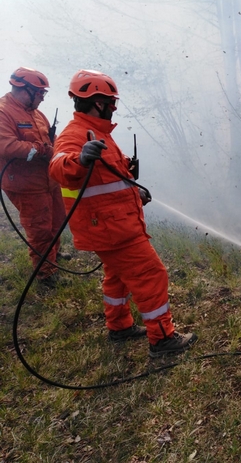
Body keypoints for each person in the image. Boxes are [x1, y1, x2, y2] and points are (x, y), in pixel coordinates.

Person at [49, 69, 197, 358]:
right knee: (151, 274)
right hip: (111, 229)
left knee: (117, 275)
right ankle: (163, 339)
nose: (114, 109)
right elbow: (58, 167)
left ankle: (119, 327)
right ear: (98, 103)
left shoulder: (99, 132)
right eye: (112, 103)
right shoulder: (76, 134)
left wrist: (134, 192)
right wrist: (79, 159)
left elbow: (106, 180)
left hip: (112, 224)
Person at [0, 67, 67, 287]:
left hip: (49, 179)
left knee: (57, 221)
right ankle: (46, 275)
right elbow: (6, 146)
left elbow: (51, 139)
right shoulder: (3, 112)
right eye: (40, 93)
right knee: (40, 229)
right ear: (24, 89)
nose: (42, 98)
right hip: (25, 185)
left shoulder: (37, 113)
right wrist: (42, 150)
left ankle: (53, 255)